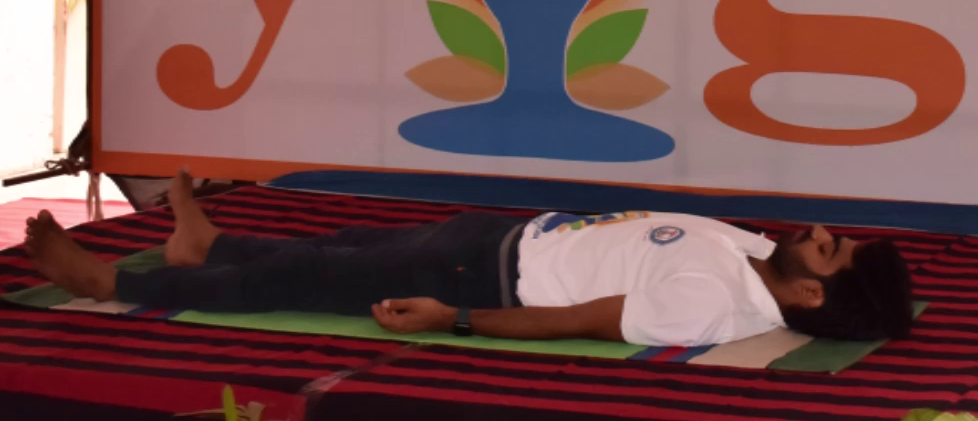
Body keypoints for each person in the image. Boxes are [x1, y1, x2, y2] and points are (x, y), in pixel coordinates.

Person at [23, 170, 914, 348]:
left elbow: (578, 322)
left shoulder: (711, 307)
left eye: (830, 250)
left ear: (808, 293)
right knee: (337, 249)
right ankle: (205, 244)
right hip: (502, 236)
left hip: (479, 280)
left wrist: (453, 320)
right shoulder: (759, 256)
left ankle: (113, 283)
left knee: (304, 284)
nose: (819, 230)